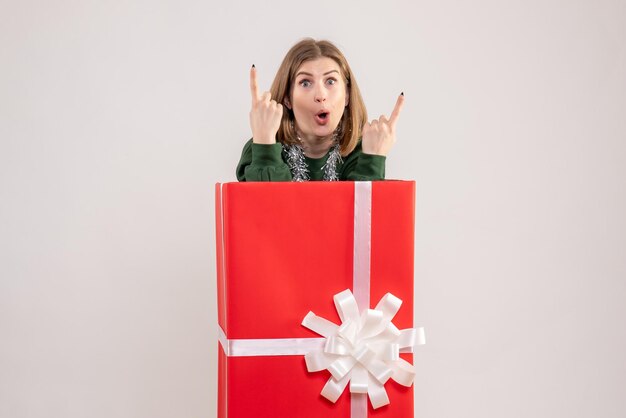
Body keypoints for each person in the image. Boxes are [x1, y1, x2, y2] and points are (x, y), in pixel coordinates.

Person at [236, 38, 404, 181]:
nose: (321, 95)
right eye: (305, 83)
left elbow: (363, 217)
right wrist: (265, 145)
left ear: (346, 95)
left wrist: (372, 161)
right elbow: (267, 213)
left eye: (330, 81)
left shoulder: (361, 151)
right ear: (288, 98)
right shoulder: (259, 147)